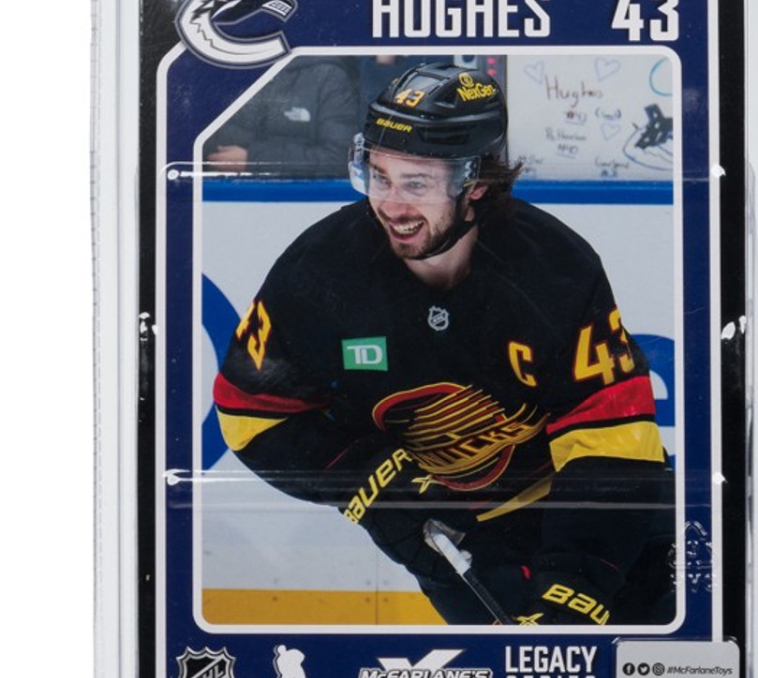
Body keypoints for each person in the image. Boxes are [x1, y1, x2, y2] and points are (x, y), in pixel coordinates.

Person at [213, 64, 675, 626]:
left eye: (417, 184)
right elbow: (250, 413)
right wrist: (374, 484)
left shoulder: (555, 269)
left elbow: (612, 438)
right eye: (378, 176)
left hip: (598, 520)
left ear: (476, 182)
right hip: (452, 536)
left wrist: (577, 583)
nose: (391, 205)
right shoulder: (319, 272)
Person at [203, 55, 359, 178]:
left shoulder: (328, 76)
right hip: (225, 194)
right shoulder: (222, 66)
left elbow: (339, 157)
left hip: (302, 199)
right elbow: (206, 141)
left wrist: (254, 159)